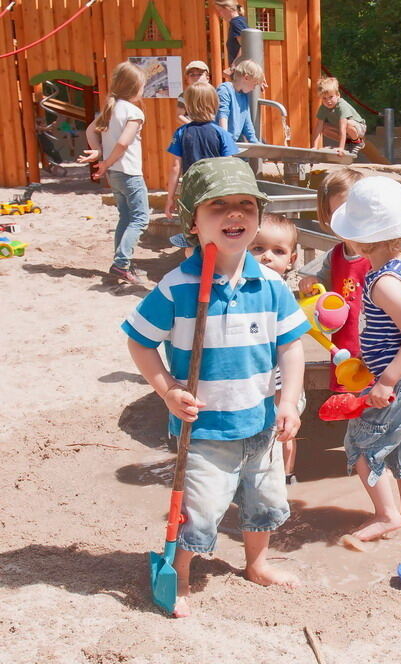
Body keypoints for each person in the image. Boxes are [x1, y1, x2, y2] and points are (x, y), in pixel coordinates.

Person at [122, 157, 311, 618]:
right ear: (193, 220)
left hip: (262, 422)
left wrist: (288, 400)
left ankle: (257, 562)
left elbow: (291, 347)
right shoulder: (176, 287)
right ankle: (180, 573)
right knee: (200, 510)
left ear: (259, 217)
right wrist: (167, 388)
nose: (234, 214)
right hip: (204, 429)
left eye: (245, 205)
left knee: (264, 500)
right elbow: (139, 341)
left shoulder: (270, 284)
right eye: (218, 206)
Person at [329, 177, 401, 543]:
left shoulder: (383, 283)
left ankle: (386, 515)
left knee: (361, 445)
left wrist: (387, 380)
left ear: (360, 238)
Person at [77, 61, 150, 286]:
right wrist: (105, 161)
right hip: (129, 172)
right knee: (141, 218)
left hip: (116, 175)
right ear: (134, 87)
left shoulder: (111, 108)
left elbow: (90, 130)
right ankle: (121, 263)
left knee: (126, 216)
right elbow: (123, 142)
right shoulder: (134, 112)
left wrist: (99, 154)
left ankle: (121, 262)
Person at [298, 169, 371, 390]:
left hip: (375, 347)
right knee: (348, 395)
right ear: (327, 218)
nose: (347, 220)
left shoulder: (379, 254)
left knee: (375, 400)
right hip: (344, 348)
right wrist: (311, 283)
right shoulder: (336, 255)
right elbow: (324, 285)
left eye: (353, 212)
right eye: (338, 214)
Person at [249, 212, 306, 484]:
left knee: (284, 429)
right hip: (253, 375)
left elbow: (293, 341)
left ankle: (287, 474)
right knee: (259, 429)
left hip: (280, 376)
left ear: (291, 260)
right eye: (258, 248)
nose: (266, 257)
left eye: (278, 251)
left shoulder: (282, 292)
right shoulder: (243, 287)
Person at [164, 82, 239, 218]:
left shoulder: (181, 133)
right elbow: (230, 166)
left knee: (193, 226)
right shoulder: (221, 133)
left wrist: (170, 197)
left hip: (191, 191)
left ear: (188, 106)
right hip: (215, 190)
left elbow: (175, 167)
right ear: (214, 104)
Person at [311, 77, 366, 157]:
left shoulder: (341, 106)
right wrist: (315, 147)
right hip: (345, 129)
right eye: (324, 98)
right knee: (324, 127)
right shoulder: (323, 107)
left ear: (338, 95)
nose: (328, 101)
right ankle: (349, 143)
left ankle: (357, 142)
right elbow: (318, 127)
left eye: (331, 97)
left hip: (359, 128)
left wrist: (341, 148)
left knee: (347, 124)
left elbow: (343, 128)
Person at [217, 60, 264, 144]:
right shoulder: (225, 89)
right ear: (246, 77)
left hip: (231, 142)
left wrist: (257, 144)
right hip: (219, 141)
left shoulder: (244, 96)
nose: (254, 88)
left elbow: (247, 124)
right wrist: (225, 142)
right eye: (255, 83)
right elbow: (223, 115)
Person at [214, 1, 248, 75]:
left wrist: (233, 66)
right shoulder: (239, 21)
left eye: (220, 11)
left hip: (241, 72)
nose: (220, 14)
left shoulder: (236, 22)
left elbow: (245, 46)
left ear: (227, 9)